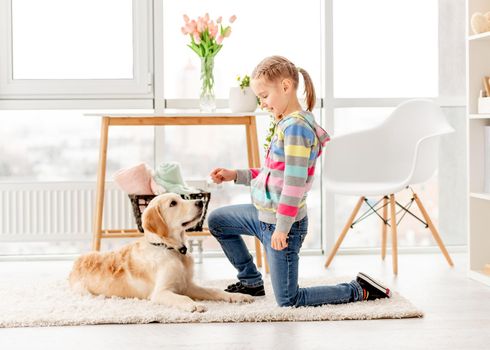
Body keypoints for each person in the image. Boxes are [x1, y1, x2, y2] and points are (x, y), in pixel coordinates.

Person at [208, 55, 392, 307]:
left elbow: (293, 185)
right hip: (262, 216)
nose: (262, 103)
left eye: (264, 96)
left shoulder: (296, 129)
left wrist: (282, 228)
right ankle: (251, 280)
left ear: (285, 87)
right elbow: (273, 174)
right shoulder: (286, 124)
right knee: (218, 221)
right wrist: (235, 175)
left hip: (282, 224)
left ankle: (358, 289)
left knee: (288, 299)